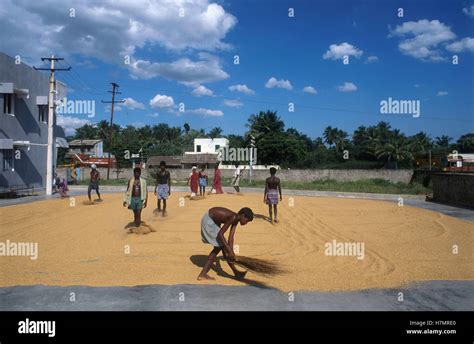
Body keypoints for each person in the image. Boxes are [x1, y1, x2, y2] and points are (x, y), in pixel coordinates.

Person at [197, 207, 254, 281]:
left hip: (214, 221)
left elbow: (231, 237)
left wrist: (231, 251)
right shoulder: (234, 217)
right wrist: (229, 251)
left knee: (223, 247)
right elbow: (220, 234)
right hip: (209, 221)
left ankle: (236, 272)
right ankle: (203, 274)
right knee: (219, 247)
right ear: (243, 216)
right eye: (247, 221)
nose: (246, 223)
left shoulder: (236, 219)